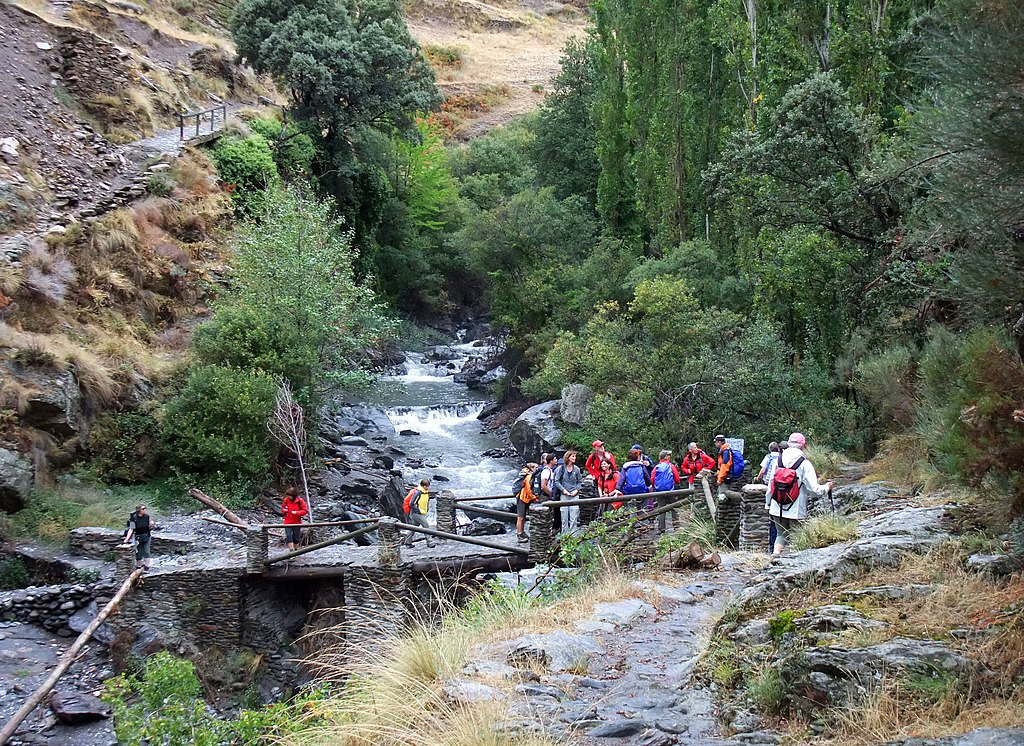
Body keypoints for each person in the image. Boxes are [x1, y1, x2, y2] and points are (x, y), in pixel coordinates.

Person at [766, 432, 833, 560]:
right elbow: (813, 489)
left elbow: (771, 485)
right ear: (804, 446)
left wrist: (767, 503)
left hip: (776, 505)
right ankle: (793, 563)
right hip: (796, 508)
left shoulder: (778, 460)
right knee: (797, 536)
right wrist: (827, 487)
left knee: (780, 534)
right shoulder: (804, 463)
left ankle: (774, 558)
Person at [756, 442, 782, 552]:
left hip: (769, 485)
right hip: (781, 486)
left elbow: (763, 470)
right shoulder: (782, 458)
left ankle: (773, 548)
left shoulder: (768, 457)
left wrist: (758, 478)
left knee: (772, 518)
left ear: (770, 448)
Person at [121, 503, 158, 571]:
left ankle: (146, 567)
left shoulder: (147, 516)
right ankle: (139, 567)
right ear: (139, 510)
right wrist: (127, 539)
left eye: (145, 508)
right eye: (143, 509)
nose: (145, 510)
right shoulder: (134, 519)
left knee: (147, 552)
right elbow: (131, 529)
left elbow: (150, 523)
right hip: (137, 537)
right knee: (138, 553)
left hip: (147, 536)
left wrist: (152, 524)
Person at [555, 450, 583, 534]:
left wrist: (576, 490)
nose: (574, 458)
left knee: (574, 517)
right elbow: (557, 481)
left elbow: (580, 482)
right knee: (564, 517)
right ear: (568, 457)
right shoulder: (561, 469)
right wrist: (563, 490)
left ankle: (573, 536)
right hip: (564, 495)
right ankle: (564, 536)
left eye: (575, 456)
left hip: (574, 495)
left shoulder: (577, 469)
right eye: (573, 456)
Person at [403, 478, 435, 548]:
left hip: (421, 512)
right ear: (423, 486)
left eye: (428, 486)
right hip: (417, 513)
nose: (427, 487)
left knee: (413, 528)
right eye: (426, 486)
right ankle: (430, 542)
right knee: (426, 525)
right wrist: (418, 510)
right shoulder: (418, 493)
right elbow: (411, 503)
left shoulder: (425, 492)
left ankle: (407, 542)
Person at [515, 461, 539, 542]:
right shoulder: (529, 476)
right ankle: (519, 534)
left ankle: (521, 532)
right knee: (521, 517)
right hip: (522, 498)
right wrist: (534, 498)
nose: (537, 469)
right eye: (536, 467)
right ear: (531, 468)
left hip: (525, 498)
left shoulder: (528, 474)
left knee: (523, 517)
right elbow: (528, 489)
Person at [281, 486, 309, 551]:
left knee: (296, 538)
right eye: (287, 495)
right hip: (287, 521)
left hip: (297, 522)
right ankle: (291, 550)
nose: (288, 497)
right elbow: (282, 508)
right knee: (289, 536)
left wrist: (297, 512)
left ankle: (296, 550)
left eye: (289, 495)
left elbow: (305, 511)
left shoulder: (300, 501)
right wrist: (284, 510)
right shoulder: (286, 500)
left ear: (293, 495)